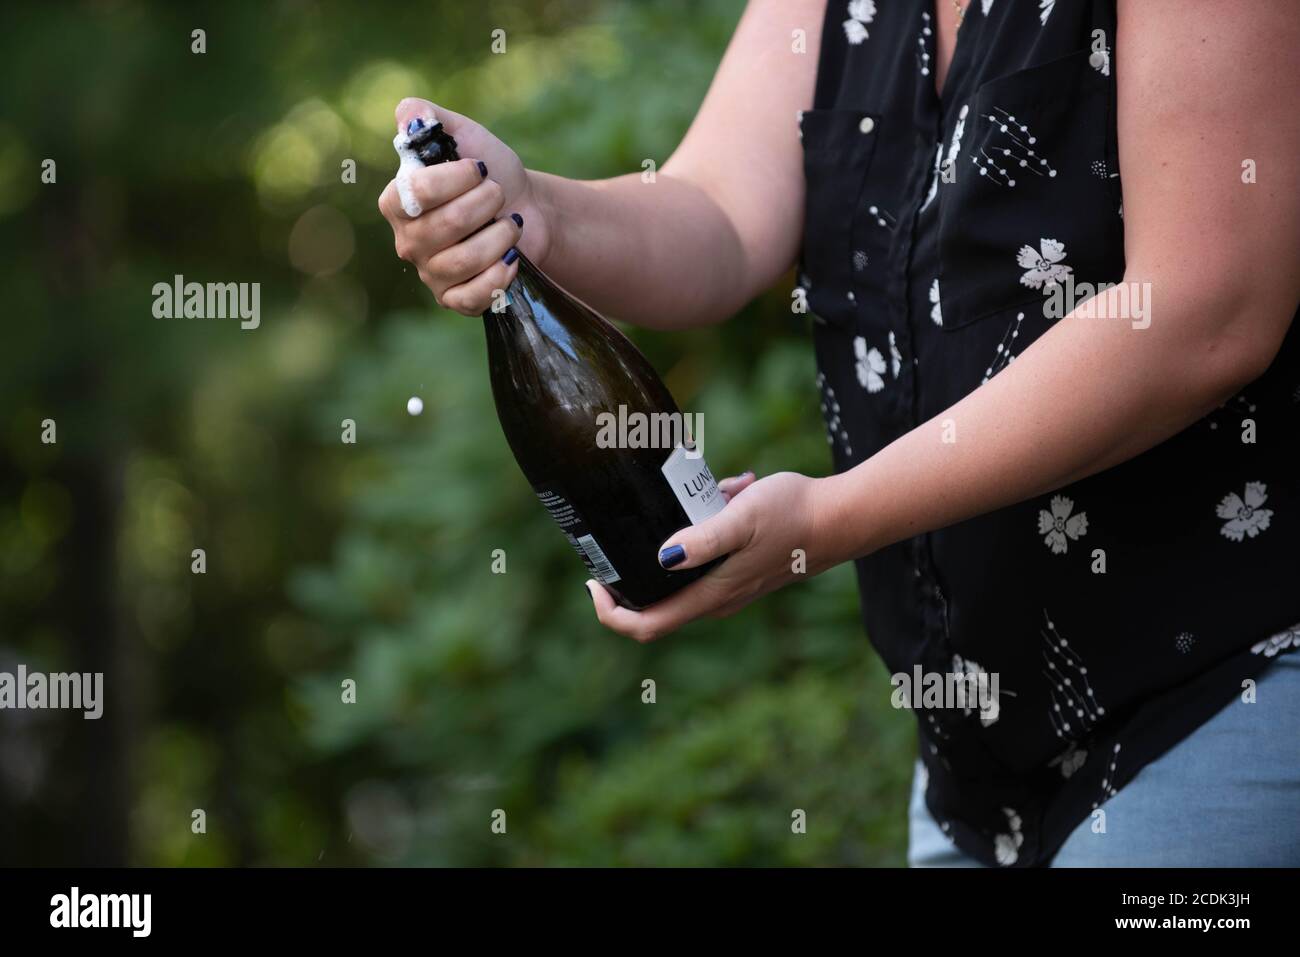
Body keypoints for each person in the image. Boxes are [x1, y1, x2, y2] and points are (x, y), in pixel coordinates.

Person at [379, 0, 1300, 866]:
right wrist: (530, 208)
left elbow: (1204, 310)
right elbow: (725, 218)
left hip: (1224, 690)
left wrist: (828, 521)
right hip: (970, 773)